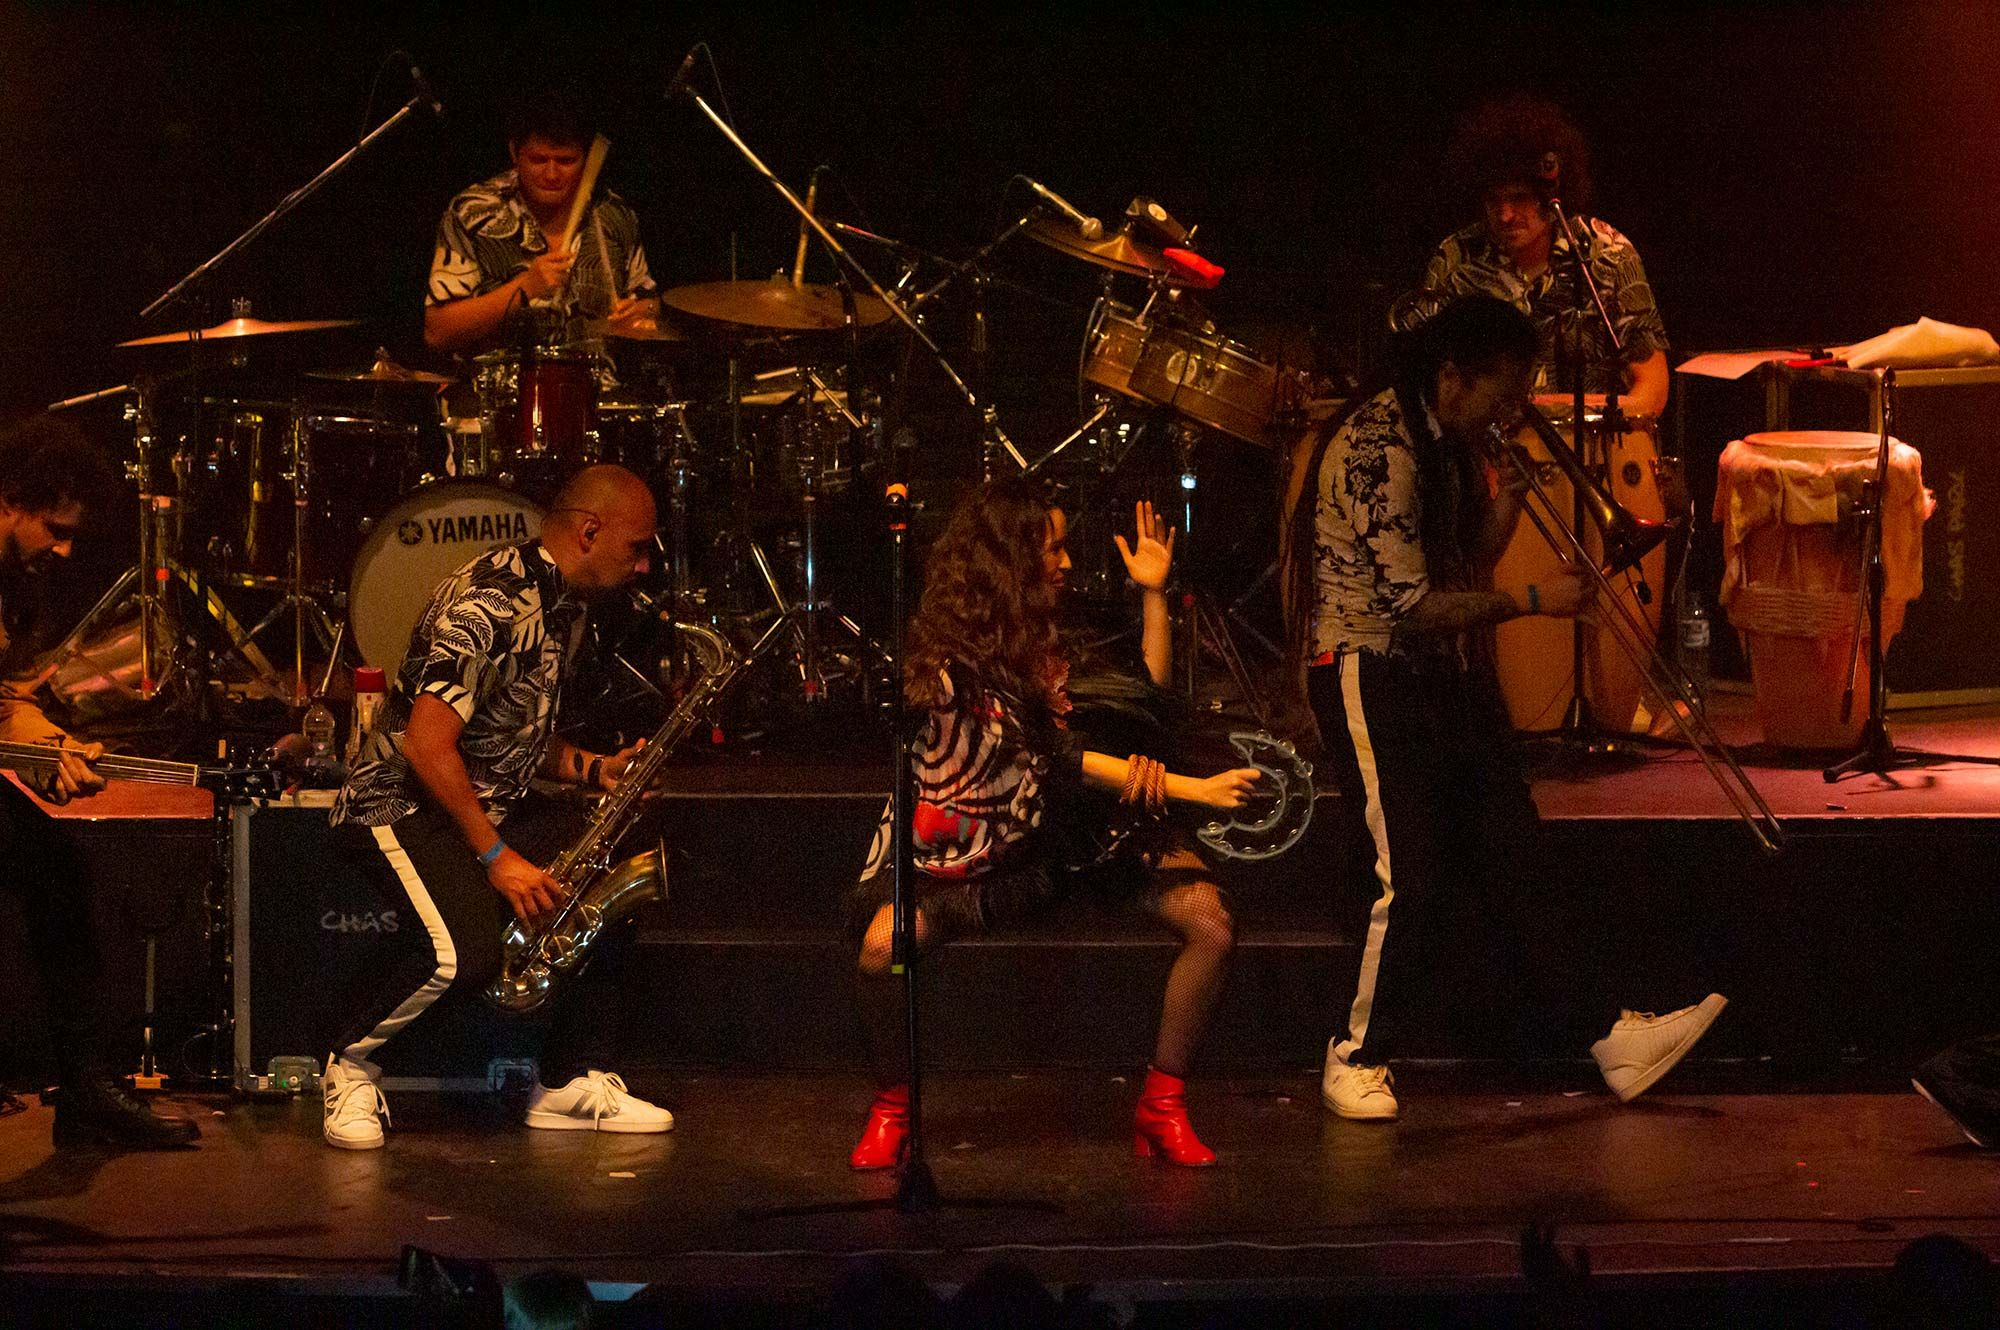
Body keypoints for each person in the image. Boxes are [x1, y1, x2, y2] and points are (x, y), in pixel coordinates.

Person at [1282, 295, 1724, 1122]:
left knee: (1518, 848)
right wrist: (1533, 597)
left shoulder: (1444, 438)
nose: (1511, 410)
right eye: (1504, 391)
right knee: (1406, 874)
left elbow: (1457, 564)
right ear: (1453, 376)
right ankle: (1356, 1054)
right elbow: (1411, 604)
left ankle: (1610, 1038)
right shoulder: (1380, 446)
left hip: (1432, 670)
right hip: (1365, 670)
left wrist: (1507, 510)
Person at [848, 486, 1256, 1170]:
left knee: (1210, 923)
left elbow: (1140, 705)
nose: (1066, 562)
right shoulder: (955, 657)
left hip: (1080, 832)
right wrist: (1195, 789)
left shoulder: (1071, 625)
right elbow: (1052, 760)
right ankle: (893, 1108)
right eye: (1053, 547)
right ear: (1009, 560)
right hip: (995, 837)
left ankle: (1162, 1106)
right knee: (879, 952)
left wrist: (1152, 597)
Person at [322, 464, 672, 1148]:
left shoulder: (564, 605)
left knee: (616, 866)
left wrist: (594, 769)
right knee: (462, 954)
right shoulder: (485, 605)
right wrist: (497, 857)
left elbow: (508, 731)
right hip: (396, 804)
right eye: (636, 548)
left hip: (477, 801)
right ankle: (347, 1061)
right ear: (588, 531)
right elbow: (428, 746)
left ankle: (567, 1080)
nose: (644, 565)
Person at [0, 417, 200, 1148]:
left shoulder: (12, 575)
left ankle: (84, 1091)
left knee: (55, 873)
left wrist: (51, 748)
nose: (64, 548)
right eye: (53, 527)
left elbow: (4, 699)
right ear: (11, 500)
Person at [1389, 93, 1670, 419]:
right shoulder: (1456, 259)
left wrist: (1549, 412)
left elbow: (1653, 393)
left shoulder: (1609, 255)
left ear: (1551, 194)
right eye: (1494, 200)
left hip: (1588, 460)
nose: (1506, 215)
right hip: (1485, 459)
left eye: (1519, 198)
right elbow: (1425, 390)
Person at [425, 87, 660, 355]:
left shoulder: (613, 214)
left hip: (597, 390)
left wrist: (640, 313)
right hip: (497, 392)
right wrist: (525, 286)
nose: (551, 174)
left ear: (586, 159)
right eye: (538, 159)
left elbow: (650, 302)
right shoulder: (473, 212)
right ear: (515, 153)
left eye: (566, 161)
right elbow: (437, 332)